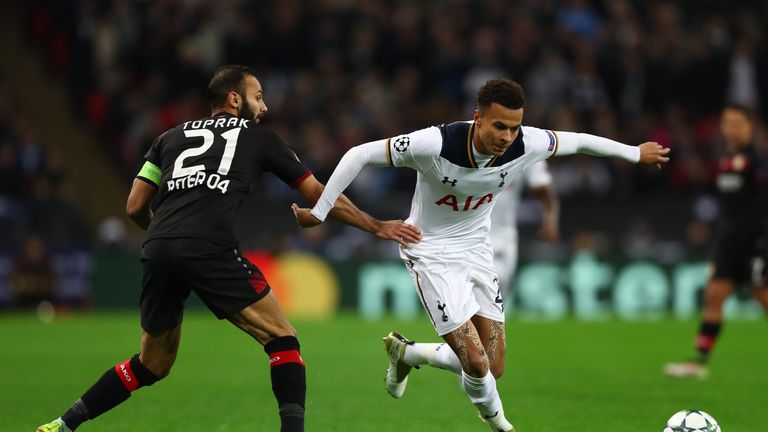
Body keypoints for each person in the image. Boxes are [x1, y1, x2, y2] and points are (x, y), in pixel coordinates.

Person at [36, 65, 421, 432]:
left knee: (151, 363)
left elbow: (135, 205)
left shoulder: (168, 138)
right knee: (282, 338)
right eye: (259, 96)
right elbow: (319, 193)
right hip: (207, 245)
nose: (265, 106)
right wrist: (377, 225)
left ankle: (64, 423)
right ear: (235, 100)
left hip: (157, 247)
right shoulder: (260, 139)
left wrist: (165, 237)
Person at [292, 78, 669, 431]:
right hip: (431, 253)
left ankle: (407, 354)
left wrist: (635, 153)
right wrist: (321, 211)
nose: (507, 137)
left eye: (514, 128)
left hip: (478, 252)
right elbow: (358, 154)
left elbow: (581, 141)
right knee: (475, 362)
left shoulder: (528, 143)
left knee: (493, 365)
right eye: (499, 126)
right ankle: (501, 425)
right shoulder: (436, 144)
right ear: (477, 118)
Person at [664, 104, 768, 379]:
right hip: (730, 245)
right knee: (714, 297)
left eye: (738, 123)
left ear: (751, 126)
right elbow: (728, 209)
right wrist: (719, 243)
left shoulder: (759, 160)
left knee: (763, 297)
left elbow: (760, 207)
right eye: (727, 122)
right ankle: (699, 362)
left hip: (757, 243)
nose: (731, 128)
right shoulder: (725, 160)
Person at [490, 160, 559, 301]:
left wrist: (550, 221)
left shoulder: (527, 148)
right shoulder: (464, 145)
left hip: (503, 234)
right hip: (465, 232)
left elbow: (543, 190)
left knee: (500, 292)